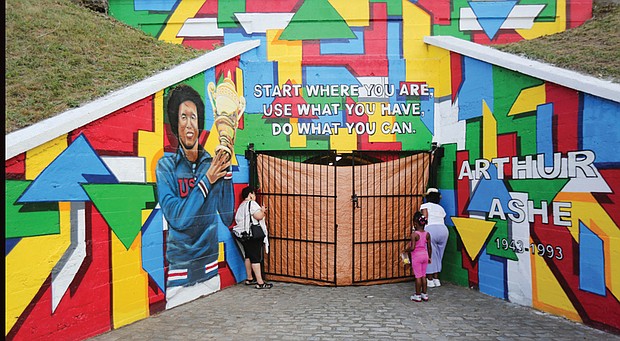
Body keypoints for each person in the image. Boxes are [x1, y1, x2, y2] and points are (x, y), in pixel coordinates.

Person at [156, 84, 235, 308]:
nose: (189, 124)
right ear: (176, 123)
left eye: (194, 117)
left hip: (211, 275)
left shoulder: (211, 163)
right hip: (179, 278)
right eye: (183, 117)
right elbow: (178, 219)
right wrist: (208, 180)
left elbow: (228, 217)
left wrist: (225, 174)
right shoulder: (166, 167)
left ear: (200, 123)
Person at [233, 186, 272, 289]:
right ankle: (260, 282)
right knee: (255, 258)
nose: (254, 196)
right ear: (250, 194)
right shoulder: (252, 204)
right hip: (253, 235)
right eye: (254, 194)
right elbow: (258, 216)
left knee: (248, 256)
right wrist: (263, 211)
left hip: (243, 235)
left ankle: (249, 278)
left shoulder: (241, 206)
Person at [420, 187, 448, 288]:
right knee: (439, 255)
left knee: (430, 255)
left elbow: (425, 218)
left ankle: (430, 279)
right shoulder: (441, 208)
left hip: (431, 229)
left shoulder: (425, 205)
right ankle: (437, 279)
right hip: (443, 230)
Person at [404, 211, 432, 302]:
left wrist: (406, 250)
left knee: (418, 276)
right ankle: (425, 294)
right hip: (425, 255)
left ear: (415, 224)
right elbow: (429, 247)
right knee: (424, 276)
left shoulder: (414, 234)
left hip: (417, 256)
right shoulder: (427, 234)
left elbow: (412, 248)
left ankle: (417, 295)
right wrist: (429, 257)